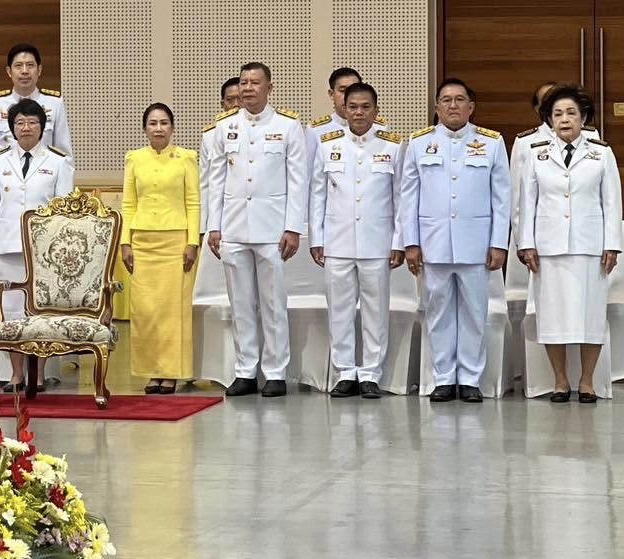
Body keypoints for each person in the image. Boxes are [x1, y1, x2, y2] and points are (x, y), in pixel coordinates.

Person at [398, 77, 510, 403]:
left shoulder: (491, 142)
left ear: (471, 107)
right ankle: (444, 378)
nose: (453, 106)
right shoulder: (419, 143)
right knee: (438, 313)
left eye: (460, 100)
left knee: (476, 313)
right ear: (436, 107)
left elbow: (502, 197)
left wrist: (499, 243)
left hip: (476, 244)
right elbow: (409, 197)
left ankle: (471, 378)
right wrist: (411, 242)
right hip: (433, 244)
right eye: (446, 100)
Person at [206, 62, 307, 398]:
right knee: (241, 304)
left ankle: (276, 371)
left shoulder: (289, 126)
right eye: (243, 82)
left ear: (269, 87)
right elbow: (215, 181)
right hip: (234, 228)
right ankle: (246, 371)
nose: (248, 88)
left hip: (272, 229)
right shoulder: (224, 127)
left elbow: (298, 181)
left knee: (273, 302)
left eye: (255, 82)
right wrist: (214, 226)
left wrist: (293, 228)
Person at [517, 85, 622, 404]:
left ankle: (587, 381)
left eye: (571, 113)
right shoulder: (535, 153)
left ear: (584, 118)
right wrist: (526, 244)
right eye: (558, 114)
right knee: (552, 316)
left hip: (590, 246)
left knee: (590, 316)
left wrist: (612, 244)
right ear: (548, 119)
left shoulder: (600, 152)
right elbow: (527, 202)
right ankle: (560, 381)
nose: (565, 119)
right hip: (548, 248)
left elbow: (612, 201)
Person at [309, 82, 404, 399]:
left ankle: (371, 374)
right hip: (337, 242)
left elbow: (400, 198)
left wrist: (398, 241)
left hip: (377, 242)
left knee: (376, 311)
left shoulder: (392, 146)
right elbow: (317, 195)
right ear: (343, 109)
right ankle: (345, 372)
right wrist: (316, 237)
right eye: (353, 107)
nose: (359, 112)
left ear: (376, 111)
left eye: (366, 107)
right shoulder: (327, 144)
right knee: (339, 309)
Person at [0, 100, 74, 391]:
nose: (26, 128)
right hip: (6, 247)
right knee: (10, 312)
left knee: (41, 312)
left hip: (44, 251)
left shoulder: (58, 161)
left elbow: (64, 212)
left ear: (42, 127)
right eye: (20, 122)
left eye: (32, 122)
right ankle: (17, 374)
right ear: (11, 128)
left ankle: (39, 374)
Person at [120, 103, 200, 395]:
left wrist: (193, 242)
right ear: (145, 128)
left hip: (176, 241)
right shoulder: (134, 159)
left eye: (164, 123)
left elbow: (193, 202)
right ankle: (152, 372)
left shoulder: (186, 159)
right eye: (152, 123)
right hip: (142, 241)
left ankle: (172, 373)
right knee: (146, 311)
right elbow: (129, 203)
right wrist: (125, 242)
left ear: (172, 127)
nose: (158, 128)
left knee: (172, 311)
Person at [510, 81, 596, 239]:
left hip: (583, 233)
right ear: (540, 109)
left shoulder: (590, 136)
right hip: (543, 234)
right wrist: (521, 239)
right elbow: (518, 198)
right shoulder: (525, 142)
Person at [0, 44, 74, 175]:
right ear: (9, 71)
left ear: (39, 70)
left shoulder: (55, 103)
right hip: (6, 181)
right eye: (18, 66)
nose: (24, 71)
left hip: (45, 179)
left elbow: (65, 154)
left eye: (30, 65)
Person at [199, 78, 241, 218]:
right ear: (222, 104)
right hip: (221, 214)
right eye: (230, 100)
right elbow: (205, 185)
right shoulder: (210, 135)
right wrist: (203, 228)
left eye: (240, 99)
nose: (236, 105)